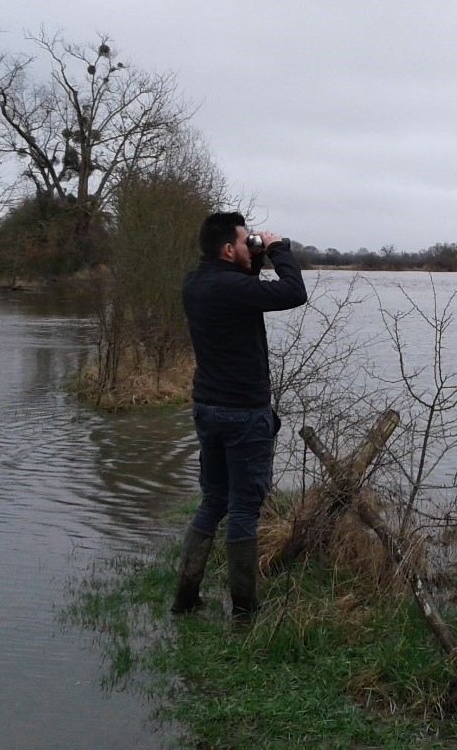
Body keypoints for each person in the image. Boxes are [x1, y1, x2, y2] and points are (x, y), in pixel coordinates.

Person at [171, 211, 308, 620]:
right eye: (246, 241)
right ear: (229, 249)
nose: (253, 245)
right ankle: (245, 610)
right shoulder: (231, 287)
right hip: (243, 414)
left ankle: (185, 597)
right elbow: (292, 293)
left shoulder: (196, 283)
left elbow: (242, 288)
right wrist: (279, 249)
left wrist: (255, 257)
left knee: (213, 500)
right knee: (245, 507)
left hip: (207, 409)